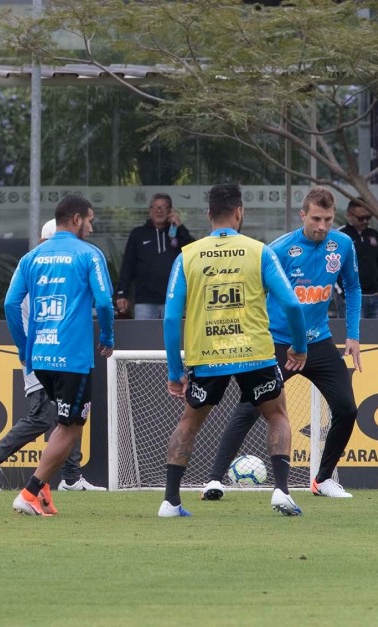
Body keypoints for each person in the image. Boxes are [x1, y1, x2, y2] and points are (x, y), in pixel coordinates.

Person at [203, 186, 363, 502]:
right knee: (249, 409)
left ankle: (323, 479)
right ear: (303, 215)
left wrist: (354, 336)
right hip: (278, 344)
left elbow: (354, 289)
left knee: (347, 409)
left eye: (328, 219)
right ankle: (214, 479)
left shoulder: (343, 245)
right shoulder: (279, 250)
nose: (322, 226)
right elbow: (253, 294)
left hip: (319, 343)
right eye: (316, 218)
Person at [159, 183, 308, 518]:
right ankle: (281, 491)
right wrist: (299, 348)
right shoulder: (260, 252)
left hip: (207, 355)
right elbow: (292, 306)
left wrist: (174, 370)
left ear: (209, 214)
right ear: (240, 212)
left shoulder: (188, 255)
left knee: (189, 422)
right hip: (254, 352)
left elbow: (170, 317)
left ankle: (170, 501)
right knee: (277, 416)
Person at [0, 219, 105, 492]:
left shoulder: (38, 266)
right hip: (42, 354)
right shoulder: (37, 268)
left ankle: (70, 476)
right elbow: (19, 311)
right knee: (44, 416)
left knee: (69, 414)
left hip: (51, 352)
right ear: (45, 242)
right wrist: (25, 351)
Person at [3, 195, 115, 516]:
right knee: (71, 425)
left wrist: (24, 347)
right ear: (77, 219)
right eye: (90, 221)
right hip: (72, 357)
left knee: (64, 423)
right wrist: (107, 335)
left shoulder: (31, 257)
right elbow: (105, 303)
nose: (92, 228)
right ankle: (30, 491)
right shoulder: (89, 255)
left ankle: (45, 493)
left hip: (40, 358)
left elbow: (11, 305)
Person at [115, 193, 194, 319]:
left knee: (173, 337)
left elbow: (193, 253)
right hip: (145, 301)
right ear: (150, 210)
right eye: (155, 207)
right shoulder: (138, 234)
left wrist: (180, 227)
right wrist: (122, 294)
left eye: (163, 207)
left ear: (170, 211)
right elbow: (127, 266)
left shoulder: (179, 233)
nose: (159, 210)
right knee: (145, 337)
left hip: (173, 299)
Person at [339, 198, 378, 319]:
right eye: (361, 218)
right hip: (353, 298)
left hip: (376, 297)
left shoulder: (373, 233)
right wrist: (344, 294)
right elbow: (332, 267)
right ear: (349, 216)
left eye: (368, 217)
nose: (365, 221)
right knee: (355, 335)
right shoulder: (340, 235)